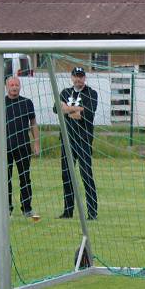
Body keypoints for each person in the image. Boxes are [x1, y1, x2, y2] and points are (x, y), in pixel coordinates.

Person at [0, 76, 40, 219]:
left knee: (25, 178)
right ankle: (7, 209)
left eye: (16, 84)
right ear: (6, 86)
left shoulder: (27, 103)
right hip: (4, 148)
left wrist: (36, 143)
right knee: (5, 179)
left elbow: (33, 124)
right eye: (11, 85)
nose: (14, 87)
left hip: (23, 146)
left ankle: (27, 208)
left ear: (20, 86)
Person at [54, 66, 98, 220]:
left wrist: (68, 108)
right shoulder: (65, 92)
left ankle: (92, 212)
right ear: (71, 77)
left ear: (84, 78)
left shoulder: (91, 93)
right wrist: (76, 109)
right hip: (67, 140)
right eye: (75, 76)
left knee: (86, 175)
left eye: (81, 76)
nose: (78, 79)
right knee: (67, 175)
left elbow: (85, 114)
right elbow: (57, 108)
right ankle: (68, 211)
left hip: (83, 140)